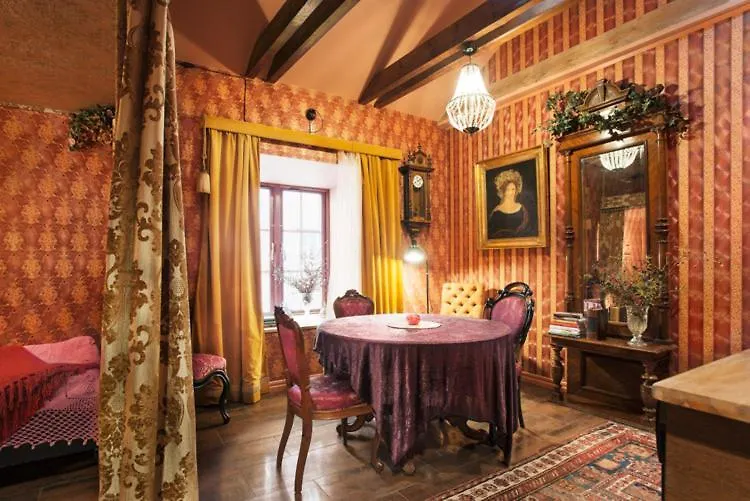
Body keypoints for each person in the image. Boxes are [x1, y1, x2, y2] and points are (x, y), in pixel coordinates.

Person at [488, 169, 532, 238]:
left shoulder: (522, 209)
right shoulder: (496, 212)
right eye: (507, 189)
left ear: (517, 190)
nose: (511, 193)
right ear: (503, 191)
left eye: (513, 189)